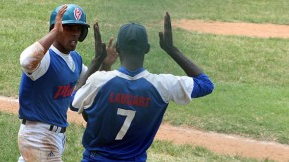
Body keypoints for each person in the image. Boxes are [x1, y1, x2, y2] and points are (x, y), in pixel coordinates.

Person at [71, 12, 214, 162]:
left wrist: (98, 62)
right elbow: (206, 84)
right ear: (147, 48)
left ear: (118, 48)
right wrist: (172, 49)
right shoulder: (162, 86)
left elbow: (74, 103)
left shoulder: (99, 80)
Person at [17, 4, 117, 162]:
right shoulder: (46, 58)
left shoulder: (75, 59)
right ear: (55, 28)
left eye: (79, 29)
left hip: (54, 137)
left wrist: (104, 64)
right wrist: (55, 31)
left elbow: (92, 84)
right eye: (69, 28)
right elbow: (26, 60)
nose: (76, 33)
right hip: (38, 136)